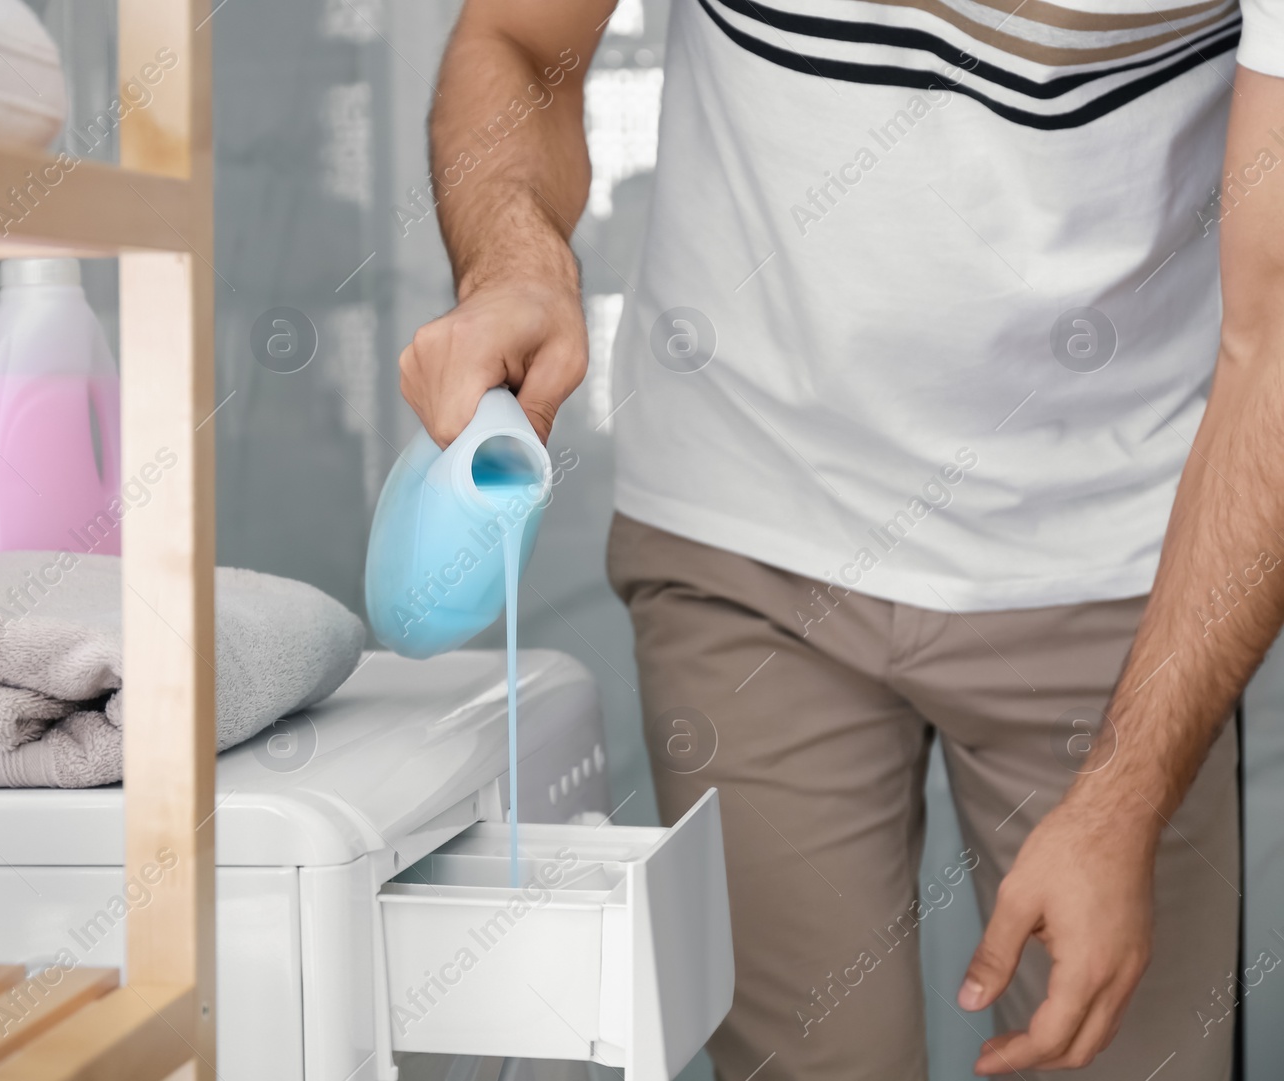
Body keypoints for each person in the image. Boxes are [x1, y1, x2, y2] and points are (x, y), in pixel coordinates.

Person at [398, 0, 1284, 1076]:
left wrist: (1126, 797)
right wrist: (513, 263)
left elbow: (1274, 343)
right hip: (746, 528)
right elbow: (519, 40)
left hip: (1120, 567)